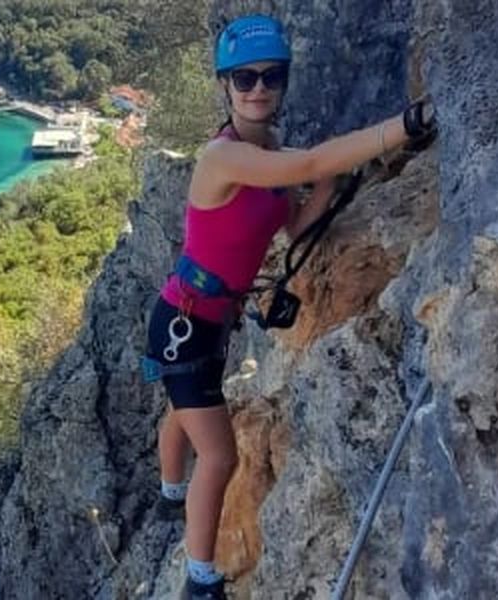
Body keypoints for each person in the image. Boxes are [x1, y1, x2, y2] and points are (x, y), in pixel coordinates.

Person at [142, 14, 436, 600]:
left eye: (270, 77)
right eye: (244, 78)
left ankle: (169, 491)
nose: (257, 89)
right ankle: (198, 581)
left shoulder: (271, 150)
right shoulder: (221, 159)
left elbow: (297, 224)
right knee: (220, 455)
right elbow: (305, 166)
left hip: (209, 319)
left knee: (184, 404)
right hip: (184, 322)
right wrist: (405, 127)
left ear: (283, 82)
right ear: (224, 86)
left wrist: (332, 181)